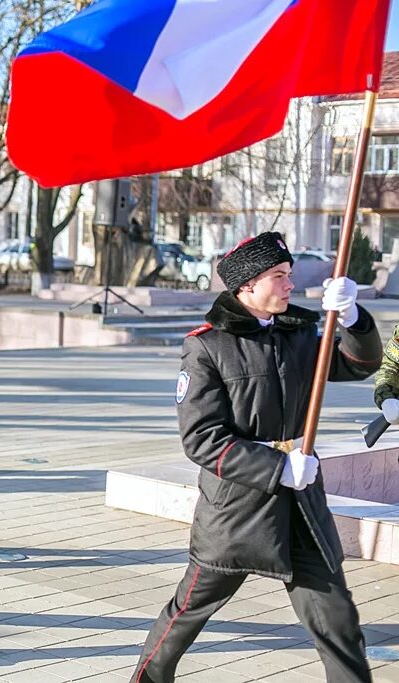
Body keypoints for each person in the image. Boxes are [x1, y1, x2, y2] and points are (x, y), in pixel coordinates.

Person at [132, 232, 382, 683]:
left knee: (337, 621)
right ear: (247, 286)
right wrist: (278, 467)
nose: (291, 285)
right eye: (279, 276)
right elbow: (202, 438)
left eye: (289, 275)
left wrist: (354, 317)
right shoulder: (207, 346)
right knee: (186, 615)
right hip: (239, 511)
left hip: (302, 507)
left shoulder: (300, 333)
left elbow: (359, 364)